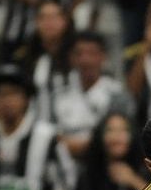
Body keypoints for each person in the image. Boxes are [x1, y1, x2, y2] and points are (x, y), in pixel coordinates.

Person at [53, 30, 132, 158]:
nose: (85, 59)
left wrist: (82, 147)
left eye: (92, 53)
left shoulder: (117, 94)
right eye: (79, 54)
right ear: (71, 58)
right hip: (62, 163)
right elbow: (50, 134)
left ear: (103, 56)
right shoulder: (59, 91)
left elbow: (124, 139)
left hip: (103, 163)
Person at [0, 0, 72, 65]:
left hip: (64, 27)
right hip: (18, 29)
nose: (49, 23)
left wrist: (71, 9)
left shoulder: (75, 52)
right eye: (44, 18)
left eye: (53, 18)